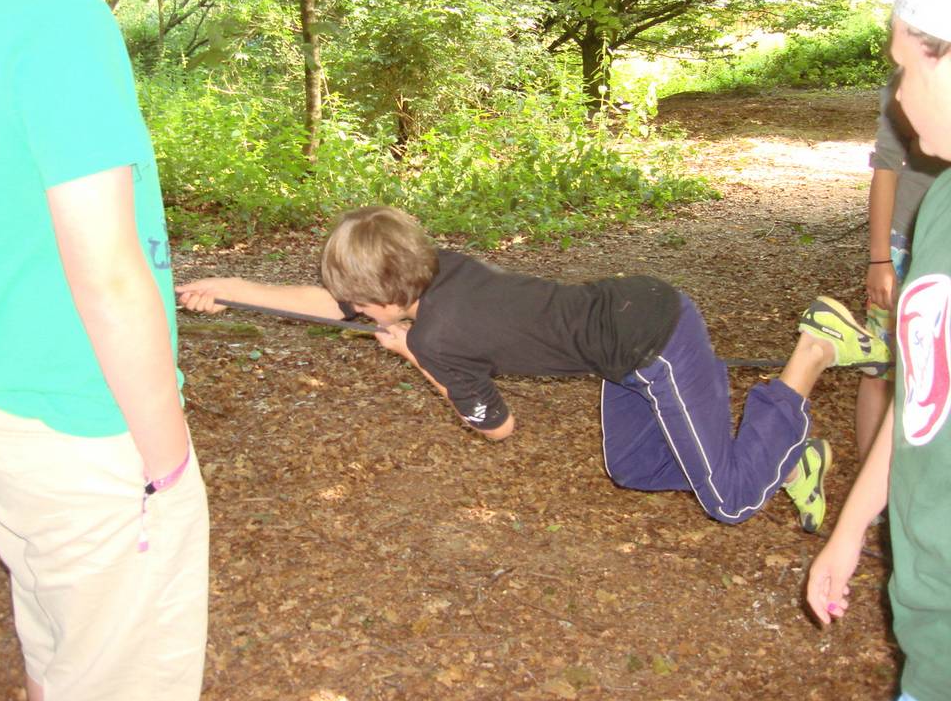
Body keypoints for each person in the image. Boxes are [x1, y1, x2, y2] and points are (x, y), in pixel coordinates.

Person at [179, 206, 888, 531]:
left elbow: (499, 427)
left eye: (365, 304)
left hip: (652, 341)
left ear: (393, 295)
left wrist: (413, 357)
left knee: (729, 501)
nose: (356, 312)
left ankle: (814, 349)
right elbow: (330, 304)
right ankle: (790, 463)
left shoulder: (439, 337)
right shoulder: (437, 270)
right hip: (627, 326)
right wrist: (229, 287)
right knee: (635, 468)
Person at [0, 0, 209, 701]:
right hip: (86, 422)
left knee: (64, 657)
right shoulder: (51, 12)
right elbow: (108, 270)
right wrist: (166, 462)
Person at [807, 0, 951, 701]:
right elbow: (923, 403)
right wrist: (853, 528)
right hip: (930, 638)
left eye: (908, 68)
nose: (898, 98)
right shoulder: (943, 215)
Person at [855, 74, 946, 469]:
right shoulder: (908, 81)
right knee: (882, 365)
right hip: (908, 242)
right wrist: (880, 260)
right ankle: (871, 489)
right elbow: (886, 167)